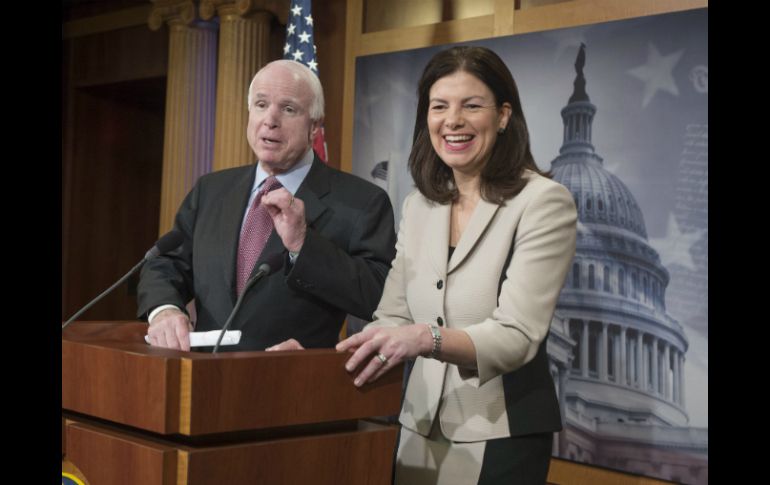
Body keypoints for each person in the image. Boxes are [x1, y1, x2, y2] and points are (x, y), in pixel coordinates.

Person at [335, 46, 578, 484]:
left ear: (503, 116)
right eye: (439, 106)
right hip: (417, 426)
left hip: (501, 433)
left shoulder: (543, 201)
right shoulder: (419, 205)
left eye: (471, 105)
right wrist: (318, 360)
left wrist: (425, 338)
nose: (452, 120)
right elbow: (392, 317)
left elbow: (517, 335)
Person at [138, 59, 397, 352]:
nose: (270, 119)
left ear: (314, 127)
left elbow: (378, 295)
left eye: (288, 109)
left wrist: (303, 245)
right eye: (261, 105)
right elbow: (166, 262)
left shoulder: (361, 201)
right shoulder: (211, 190)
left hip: (293, 382)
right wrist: (165, 309)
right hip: (203, 380)